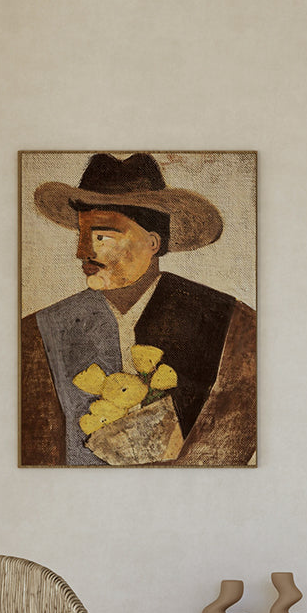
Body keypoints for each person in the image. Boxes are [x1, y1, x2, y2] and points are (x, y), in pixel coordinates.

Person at [20, 152, 256, 467]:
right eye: (82, 236)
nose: (83, 253)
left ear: (153, 242)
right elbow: (36, 454)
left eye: (101, 236)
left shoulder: (233, 323)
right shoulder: (39, 331)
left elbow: (233, 435)